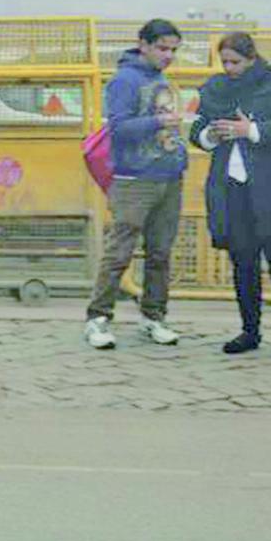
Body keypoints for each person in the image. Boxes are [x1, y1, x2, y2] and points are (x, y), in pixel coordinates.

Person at [190, 32, 271, 358]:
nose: (229, 68)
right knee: (242, 261)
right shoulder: (216, 87)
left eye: (236, 62)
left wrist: (251, 131)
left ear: (252, 57)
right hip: (232, 188)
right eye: (225, 62)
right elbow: (196, 129)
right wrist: (209, 134)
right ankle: (250, 330)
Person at [85, 18, 188, 349]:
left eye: (173, 50)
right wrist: (158, 121)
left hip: (168, 176)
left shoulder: (162, 79)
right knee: (120, 251)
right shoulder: (125, 80)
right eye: (162, 48)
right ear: (143, 45)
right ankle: (98, 318)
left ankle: (153, 316)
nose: (168, 55)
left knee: (160, 252)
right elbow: (119, 128)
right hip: (134, 178)